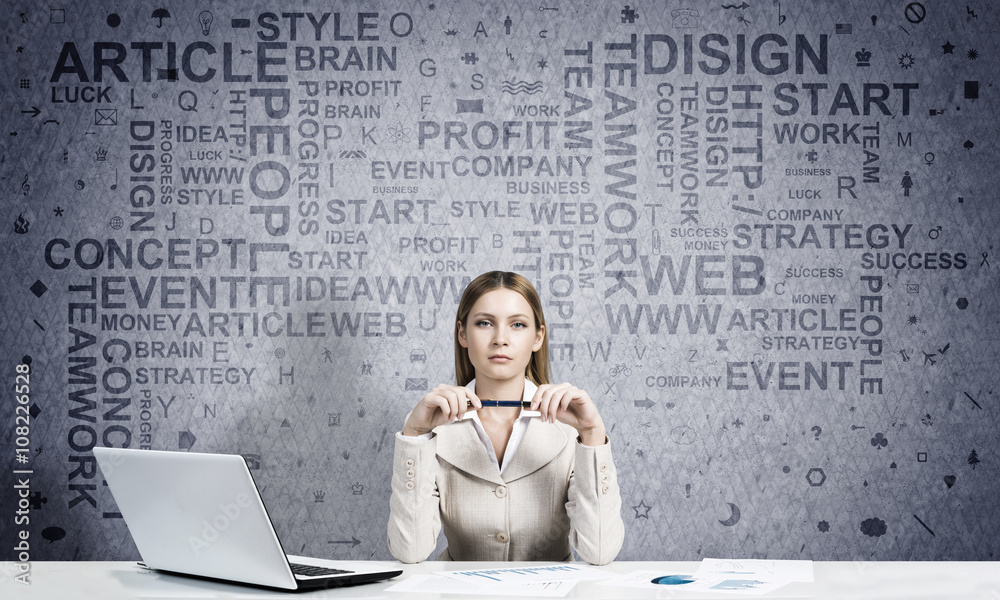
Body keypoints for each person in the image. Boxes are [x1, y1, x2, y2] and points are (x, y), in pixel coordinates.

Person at [387, 271, 625, 565]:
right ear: (462, 333)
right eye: (484, 323)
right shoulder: (433, 428)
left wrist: (592, 435)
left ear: (538, 337)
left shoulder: (570, 428)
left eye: (517, 325)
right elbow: (409, 551)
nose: (500, 339)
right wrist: (414, 435)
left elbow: (600, 552)